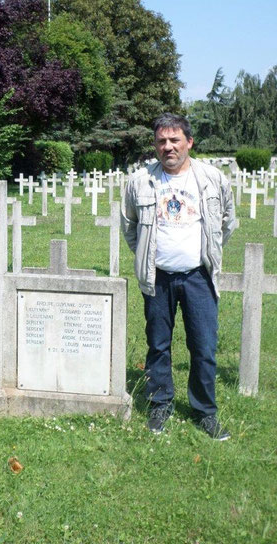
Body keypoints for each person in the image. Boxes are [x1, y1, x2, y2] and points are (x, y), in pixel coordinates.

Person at [121, 113, 236, 439]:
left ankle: (205, 411)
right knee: (158, 345)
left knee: (204, 346)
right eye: (161, 141)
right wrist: (148, 255)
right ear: (155, 145)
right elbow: (130, 227)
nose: (168, 147)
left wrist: (208, 253)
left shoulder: (212, 178)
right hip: (158, 277)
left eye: (174, 140)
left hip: (198, 276)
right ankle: (160, 404)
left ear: (189, 142)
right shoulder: (140, 181)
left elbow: (226, 222)